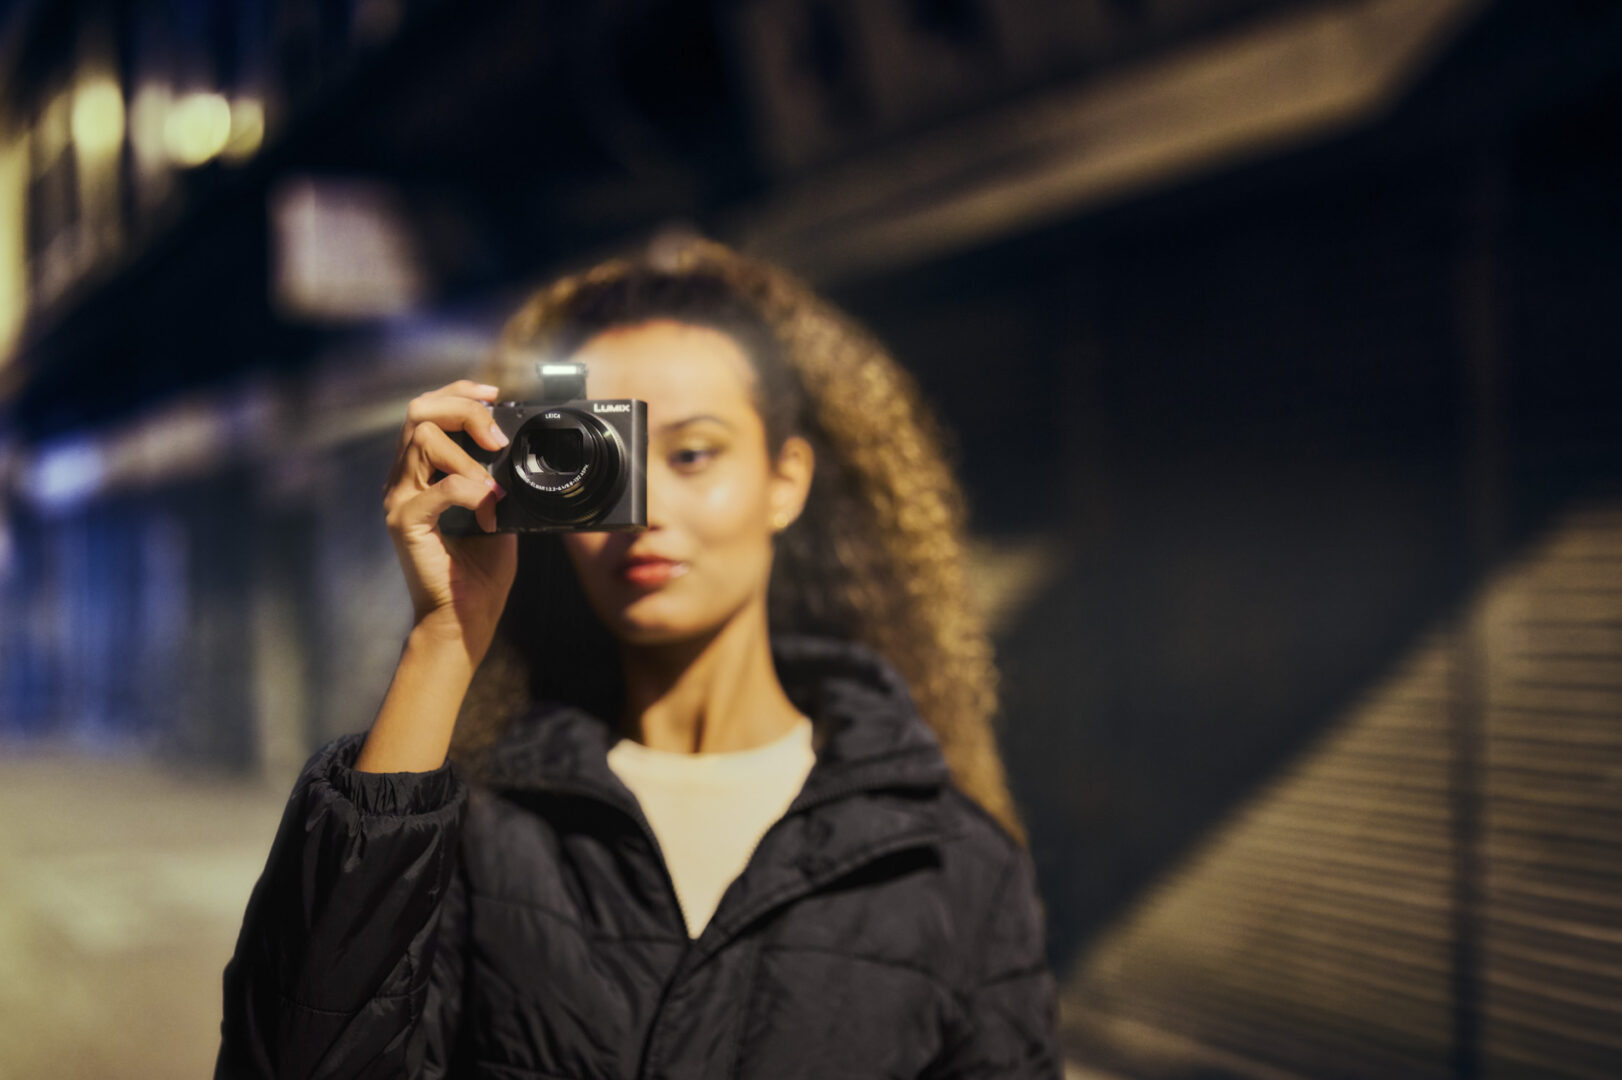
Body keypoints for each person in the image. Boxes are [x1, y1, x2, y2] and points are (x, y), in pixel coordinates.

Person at [215, 236, 1060, 1079]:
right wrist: (442, 638)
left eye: (693, 454)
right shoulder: (478, 825)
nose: (644, 510)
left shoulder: (949, 856)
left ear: (786, 479)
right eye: (595, 455)